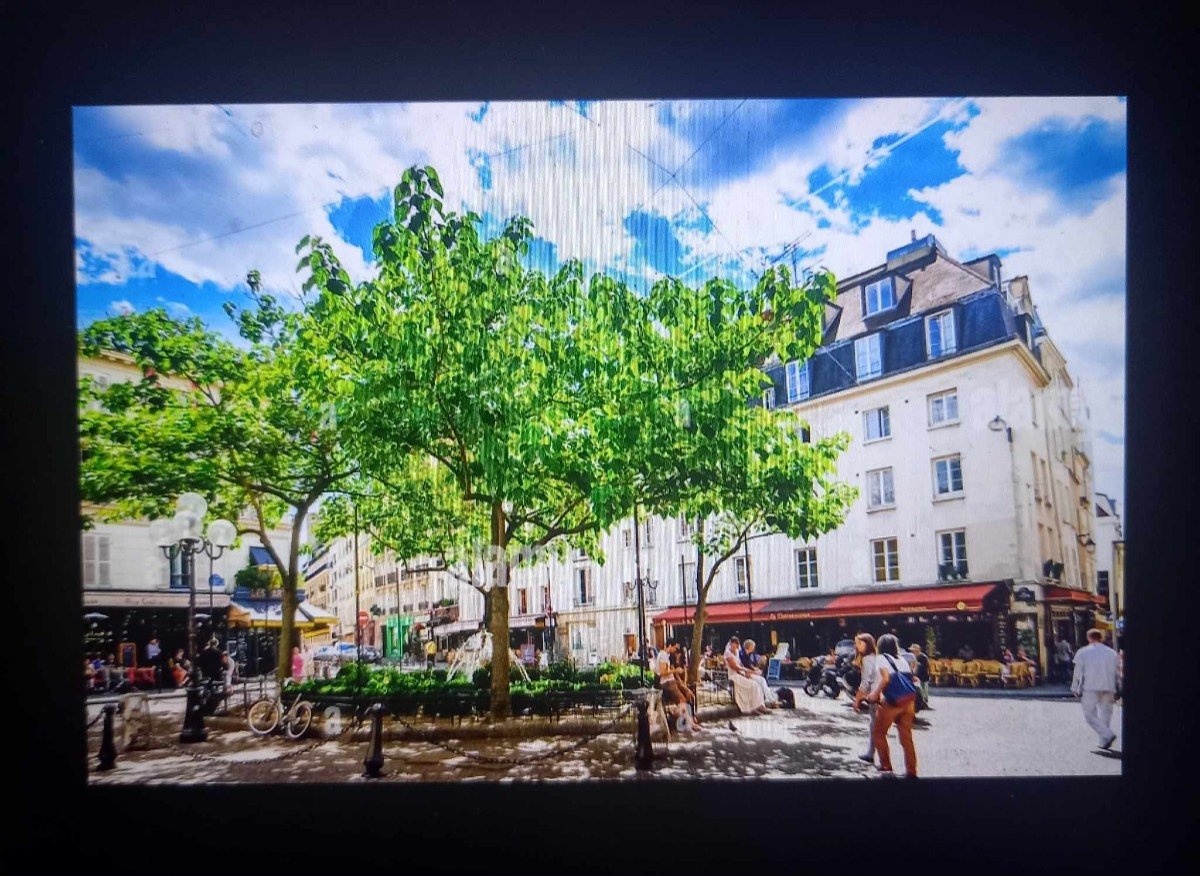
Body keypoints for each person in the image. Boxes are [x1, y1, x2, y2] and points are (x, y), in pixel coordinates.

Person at [867, 633, 919, 778]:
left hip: (892, 702)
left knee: (878, 732)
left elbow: (885, 678)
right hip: (908, 701)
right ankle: (911, 770)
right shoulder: (902, 659)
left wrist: (874, 694)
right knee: (906, 736)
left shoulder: (880, 659)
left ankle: (886, 765)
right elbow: (910, 678)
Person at [1071, 628, 1119, 750]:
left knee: (1089, 715)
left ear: (1089, 638)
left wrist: (1075, 687)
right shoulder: (1112, 653)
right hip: (1108, 686)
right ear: (1101, 638)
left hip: (1090, 686)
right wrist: (1118, 685)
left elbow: (1078, 671)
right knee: (1106, 714)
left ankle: (1107, 734)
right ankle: (1103, 741)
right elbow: (1117, 671)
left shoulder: (1083, 652)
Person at [655, 640, 702, 730]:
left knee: (689, 694)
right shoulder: (663, 656)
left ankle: (678, 713)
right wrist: (675, 670)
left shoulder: (665, 655)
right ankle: (690, 722)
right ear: (670, 646)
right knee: (682, 700)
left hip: (672, 680)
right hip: (667, 683)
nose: (675, 650)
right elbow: (662, 672)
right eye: (674, 647)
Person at [852, 633, 879, 765]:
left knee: (875, 726)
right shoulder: (876, 657)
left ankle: (873, 755)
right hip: (881, 696)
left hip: (876, 697)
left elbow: (865, 682)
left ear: (867, 644)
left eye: (859, 643)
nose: (856, 646)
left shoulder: (868, 659)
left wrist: (857, 700)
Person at [724, 637, 769, 715]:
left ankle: (759, 705)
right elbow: (734, 666)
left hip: (740, 673)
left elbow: (741, 664)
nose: (736, 647)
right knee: (753, 685)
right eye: (735, 644)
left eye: (737, 645)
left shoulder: (737, 652)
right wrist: (746, 671)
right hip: (733, 675)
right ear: (731, 644)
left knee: (756, 684)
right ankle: (751, 707)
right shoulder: (728, 653)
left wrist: (748, 672)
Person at [740, 640, 780, 707]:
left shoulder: (747, 654)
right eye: (753, 646)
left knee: (762, 680)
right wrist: (754, 672)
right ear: (749, 646)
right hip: (745, 673)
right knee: (761, 680)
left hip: (748, 672)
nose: (754, 648)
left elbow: (749, 665)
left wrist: (755, 669)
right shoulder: (743, 654)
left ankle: (769, 698)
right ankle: (770, 698)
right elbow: (745, 666)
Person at [909, 643, 932, 710]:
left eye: (914, 651)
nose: (912, 652)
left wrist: (917, 664)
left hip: (923, 677)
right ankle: (920, 703)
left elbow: (925, 667)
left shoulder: (923, 657)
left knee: (924, 691)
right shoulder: (913, 656)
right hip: (917, 676)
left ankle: (924, 703)